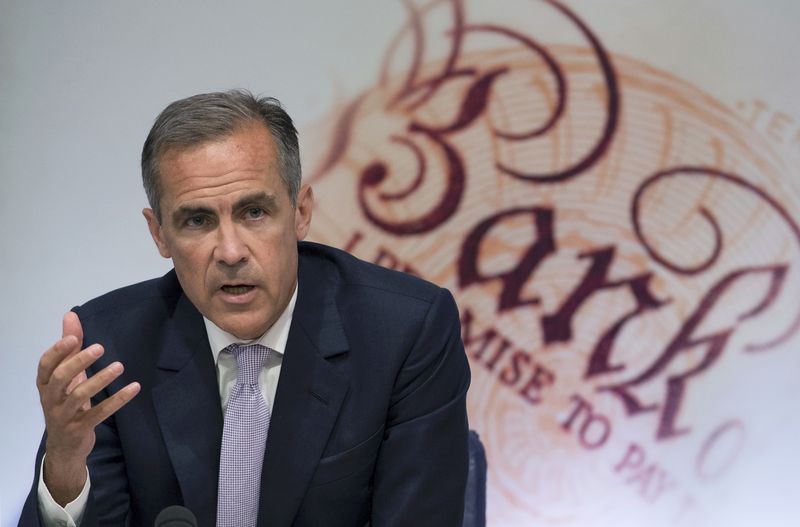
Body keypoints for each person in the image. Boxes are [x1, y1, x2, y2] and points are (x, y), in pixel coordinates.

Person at [19, 90, 471, 526]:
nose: (231, 251)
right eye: (197, 220)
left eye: (254, 212)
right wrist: (63, 463)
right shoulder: (110, 345)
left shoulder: (404, 331)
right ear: (158, 234)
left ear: (301, 212)